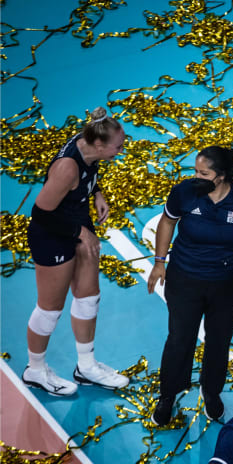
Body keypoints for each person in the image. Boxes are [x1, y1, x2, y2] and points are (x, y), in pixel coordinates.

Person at [148, 146, 233, 426]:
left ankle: (211, 391)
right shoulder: (184, 192)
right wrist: (159, 262)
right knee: (180, 339)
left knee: (218, 340)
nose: (196, 176)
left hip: (227, 284)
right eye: (195, 170)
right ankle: (168, 395)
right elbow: (168, 222)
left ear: (222, 176)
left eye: (203, 173)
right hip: (185, 279)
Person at [23, 107, 129, 395]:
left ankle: (86, 367)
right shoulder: (67, 167)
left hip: (76, 221)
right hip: (53, 233)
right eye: (117, 147)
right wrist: (80, 232)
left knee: (89, 298)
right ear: (98, 144)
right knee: (50, 309)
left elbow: (90, 171)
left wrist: (96, 192)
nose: (120, 151)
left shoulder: (88, 145)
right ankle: (35, 370)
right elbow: (41, 213)